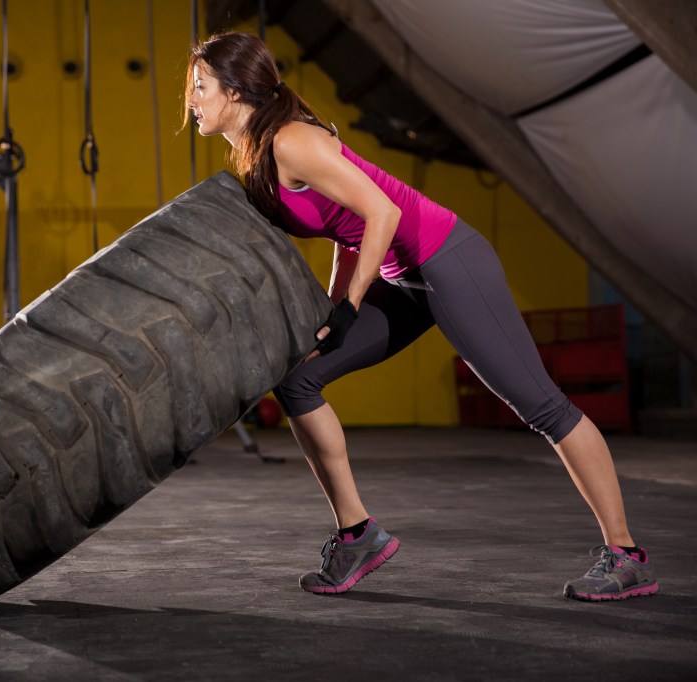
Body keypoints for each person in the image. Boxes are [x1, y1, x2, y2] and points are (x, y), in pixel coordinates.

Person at [184, 31, 657, 601]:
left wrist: (352, 305)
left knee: (542, 407)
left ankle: (627, 555)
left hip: (449, 260)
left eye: (200, 85)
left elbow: (381, 213)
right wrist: (334, 308)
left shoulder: (291, 142)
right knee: (298, 379)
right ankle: (358, 534)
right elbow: (347, 228)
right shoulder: (261, 151)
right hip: (402, 278)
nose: (191, 98)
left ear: (234, 92)